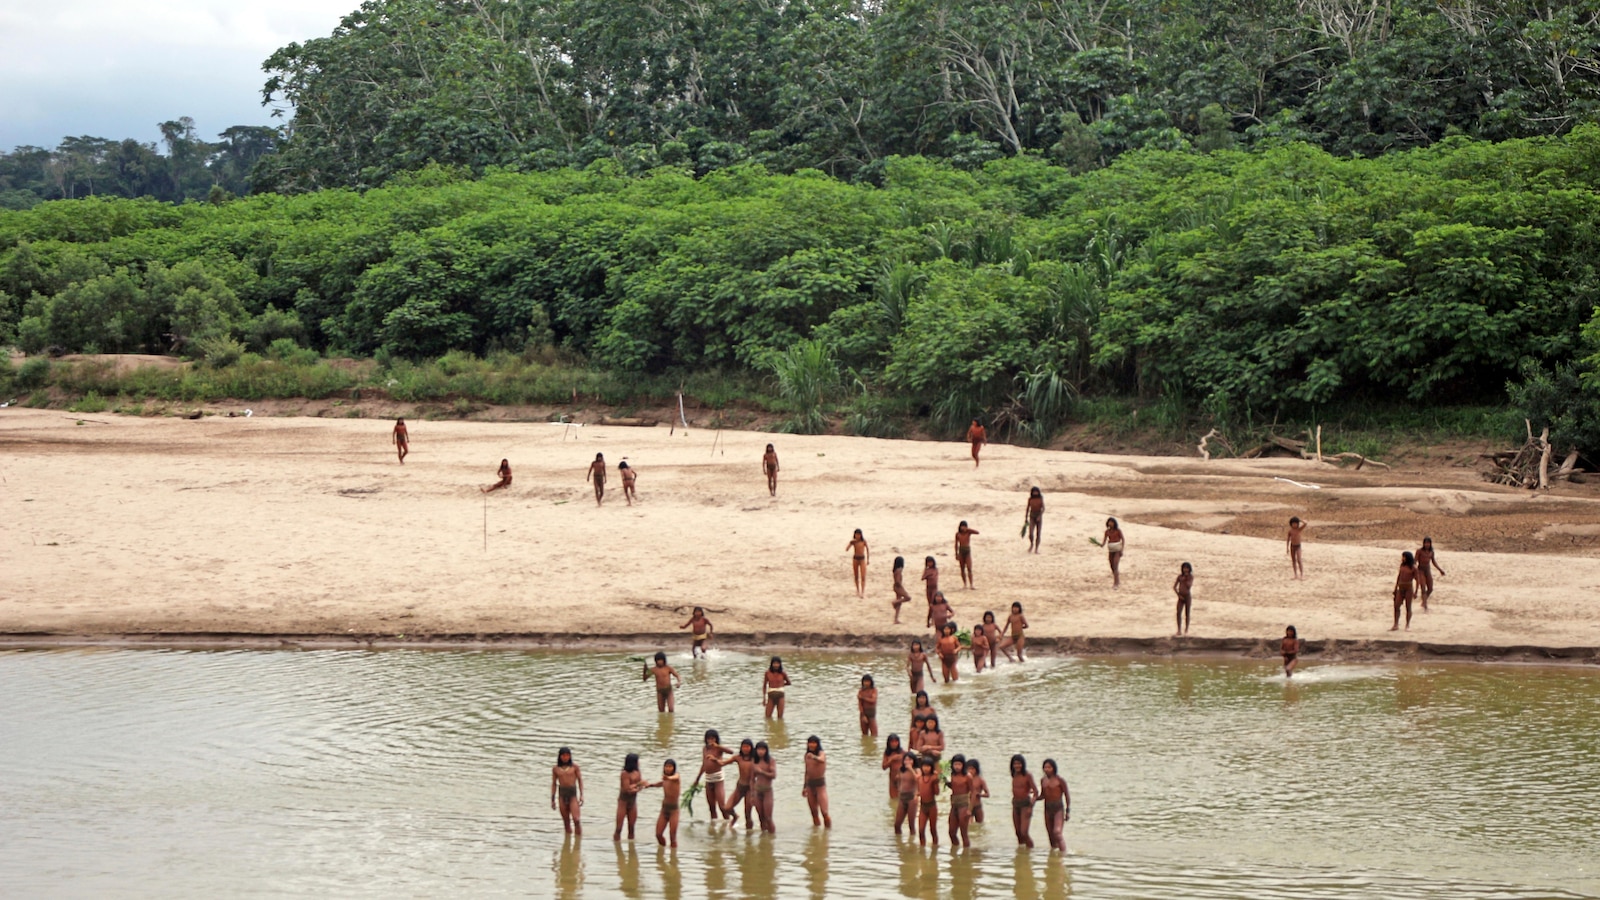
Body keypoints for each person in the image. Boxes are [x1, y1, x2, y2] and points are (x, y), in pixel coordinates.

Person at [691, 730, 738, 826]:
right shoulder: (705, 749)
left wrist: (717, 747)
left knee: (722, 806)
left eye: (713, 738)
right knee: (711, 807)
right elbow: (704, 765)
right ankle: (714, 826)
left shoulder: (718, 749)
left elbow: (731, 752)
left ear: (716, 739)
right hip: (708, 779)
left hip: (718, 779)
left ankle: (730, 822)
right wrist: (697, 779)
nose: (711, 740)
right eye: (709, 738)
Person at [721, 739, 757, 828]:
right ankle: (735, 816)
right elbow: (723, 763)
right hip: (740, 787)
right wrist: (715, 760)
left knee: (747, 814)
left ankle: (748, 837)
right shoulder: (738, 758)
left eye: (747, 747)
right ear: (741, 747)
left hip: (750, 789)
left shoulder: (755, 759)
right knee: (727, 808)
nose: (745, 749)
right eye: (744, 746)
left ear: (751, 748)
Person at [613, 753, 648, 841]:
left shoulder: (638, 772)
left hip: (632, 802)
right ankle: (616, 845)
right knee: (619, 828)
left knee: (632, 827)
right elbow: (626, 789)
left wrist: (639, 786)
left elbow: (638, 786)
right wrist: (638, 785)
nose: (639, 763)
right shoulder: (624, 774)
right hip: (623, 802)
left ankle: (631, 849)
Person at [1039, 759, 1071, 851]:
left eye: (1049, 767)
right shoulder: (1043, 780)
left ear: (1053, 768)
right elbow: (1043, 795)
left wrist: (1068, 811)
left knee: (1057, 832)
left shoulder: (1060, 780)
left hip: (1058, 809)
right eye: (1045, 767)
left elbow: (1067, 795)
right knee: (1051, 836)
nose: (1047, 769)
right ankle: (1053, 858)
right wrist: (1033, 798)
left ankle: (1064, 853)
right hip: (1047, 809)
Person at [551, 747, 584, 835]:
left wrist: (581, 795)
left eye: (567, 756)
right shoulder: (556, 769)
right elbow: (554, 783)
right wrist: (552, 799)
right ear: (560, 756)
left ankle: (578, 841)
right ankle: (568, 842)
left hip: (572, 795)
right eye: (563, 756)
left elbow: (580, 780)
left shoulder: (574, 767)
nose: (565, 758)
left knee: (576, 820)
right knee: (566, 821)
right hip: (562, 794)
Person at [802, 735, 832, 828]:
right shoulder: (807, 756)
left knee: (824, 812)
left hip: (820, 785)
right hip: (810, 785)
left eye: (814, 743)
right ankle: (816, 834)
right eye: (810, 742)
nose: (811, 745)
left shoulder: (821, 753)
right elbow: (807, 771)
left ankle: (827, 834)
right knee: (814, 812)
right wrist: (804, 787)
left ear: (817, 744)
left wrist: (814, 757)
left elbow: (822, 760)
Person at [652, 759, 682, 847]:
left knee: (672, 837)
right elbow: (660, 783)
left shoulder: (676, 777)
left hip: (674, 811)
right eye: (666, 766)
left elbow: (675, 777)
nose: (668, 769)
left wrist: (668, 778)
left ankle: (673, 857)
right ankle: (663, 850)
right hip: (664, 810)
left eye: (670, 767)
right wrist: (650, 785)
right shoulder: (665, 779)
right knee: (658, 834)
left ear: (674, 768)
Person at [1010, 754, 1038, 848]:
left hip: (1025, 805)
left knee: (1024, 832)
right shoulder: (1014, 774)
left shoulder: (1027, 775)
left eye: (1019, 764)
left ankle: (1031, 850)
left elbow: (1035, 792)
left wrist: (1031, 806)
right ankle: (1021, 851)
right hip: (1015, 804)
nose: (1017, 766)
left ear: (1023, 764)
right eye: (1015, 764)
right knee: (1018, 832)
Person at [947, 755, 973, 848]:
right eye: (955, 764)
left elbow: (973, 792)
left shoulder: (967, 776)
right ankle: (955, 850)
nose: (957, 766)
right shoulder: (952, 775)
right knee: (951, 832)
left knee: (963, 833)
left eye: (959, 764)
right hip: (954, 804)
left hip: (964, 804)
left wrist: (970, 809)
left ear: (963, 765)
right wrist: (947, 783)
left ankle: (966, 857)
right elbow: (954, 787)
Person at [751, 741, 777, 834]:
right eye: (759, 749)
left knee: (768, 817)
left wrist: (762, 772)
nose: (761, 751)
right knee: (761, 817)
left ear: (766, 750)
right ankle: (763, 839)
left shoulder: (770, 761)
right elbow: (752, 779)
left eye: (763, 749)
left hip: (767, 791)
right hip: (757, 791)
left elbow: (774, 775)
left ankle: (772, 838)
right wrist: (752, 795)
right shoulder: (755, 761)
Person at [916, 755, 942, 846]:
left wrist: (936, 783)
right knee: (921, 830)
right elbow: (919, 791)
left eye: (928, 766)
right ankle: (922, 849)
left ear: (931, 767)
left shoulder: (933, 778)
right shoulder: (919, 778)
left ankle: (935, 848)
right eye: (924, 766)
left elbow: (937, 793)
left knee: (933, 829)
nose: (926, 768)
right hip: (923, 806)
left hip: (932, 806)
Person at [894, 752, 920, 837]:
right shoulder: (901, 769)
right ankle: (899, 844)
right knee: (897, 825)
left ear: (913, 761)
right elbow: (898, 780)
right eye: (906, 759)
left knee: (911, 825)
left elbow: (917, 778)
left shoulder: (917, 769)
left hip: (911, 797)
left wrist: (910, 769)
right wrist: (899, 789)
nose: (907, 761)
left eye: (910, 759)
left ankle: (912, 845)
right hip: (902, 797)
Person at [1416, 536, 1446, 610]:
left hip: (1427, 570)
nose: (1427, 545)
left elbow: (1433, 562)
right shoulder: (1419, 551)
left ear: (1430, 544)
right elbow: (1415, 560)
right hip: (1420, 570)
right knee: (1423, 587)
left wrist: (1440, 570)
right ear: (1423, 544)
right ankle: (1425, 605)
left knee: (1430, 588)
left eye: (1428, 543)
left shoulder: (1431, 552)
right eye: (1426, 543)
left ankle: (1424, 600)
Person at [1392, 551, 1419, 631]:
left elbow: (1417, 580)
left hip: (1408, 588)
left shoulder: (1413, 568)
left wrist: (1416, 592)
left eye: (1404, 557)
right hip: (1400, 587)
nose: (1402, 558)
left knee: (1408, 607)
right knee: (1396, 605)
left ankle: (1407, 625)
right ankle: (1396, 624)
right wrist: (1395, 588)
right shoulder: (1402, 566)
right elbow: (1399, 576)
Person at [954, 521, 980, 589]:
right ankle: (965, 584)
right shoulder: (958, 534)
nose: (963, 528)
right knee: (962, 568)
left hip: (967, 551)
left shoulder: (968, 532)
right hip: (961, 551)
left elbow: (977, 532)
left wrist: (968, 529)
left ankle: (971, 584)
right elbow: (956, 544)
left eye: (965, 526)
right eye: (962, 526)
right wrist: (956, 553)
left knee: (969, 568)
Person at [882, 734, 907, 800]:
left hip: (902, 779)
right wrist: (891, 759)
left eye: (896, 742)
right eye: (892, 742)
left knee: (903, 799)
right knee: (893, 800)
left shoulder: (903, 752)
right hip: (892, 779)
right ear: (889, 743)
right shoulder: (887, 753)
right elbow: (884, 767)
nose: (894, 744)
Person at [846, 529, 870, 598]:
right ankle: (857, 591)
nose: (857, 536)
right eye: (856, 535)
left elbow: (867, 550)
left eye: (859, 535)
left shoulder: (863, 541)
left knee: (863, 576)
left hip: (862, 559)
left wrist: (868, 559)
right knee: (856, 576)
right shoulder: (854, 542)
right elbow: (847, 549)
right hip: (855, 559)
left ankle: (862, 592)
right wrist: (851, 543)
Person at [1103, 517, 1125, 589]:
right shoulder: (1107, 532)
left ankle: (1116, 583)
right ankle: (1117, 579)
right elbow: (1104, 541)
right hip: (1111, 550)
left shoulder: (1118, 531)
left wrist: (1122, 549)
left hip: (1117, 550)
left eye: (1112, 522)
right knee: (1112, 565)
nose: (1110, 524)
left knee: (1115, 565)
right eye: (1109, 522)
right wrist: (1099, 544)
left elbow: (1123, 539)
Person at [1173, 562, 1194, 636]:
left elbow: (1189, 586)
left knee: (1187, 613)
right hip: (1181, 596)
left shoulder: (1190, 577)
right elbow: (1174, 587)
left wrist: (1186, 579)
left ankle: (1186, 630)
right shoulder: (1179, 577)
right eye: (1184, 568)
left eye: (1187, 568)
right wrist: (1178, 595)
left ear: (1189, 569)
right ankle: (1179, 630)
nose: (1185, 570)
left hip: (1187, 596)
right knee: (1178, 612)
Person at [968, 758, 991, 824]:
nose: (970, 771)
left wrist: (979, 795)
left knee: (980, 824)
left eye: (972, 769)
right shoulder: (966, 779)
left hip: (978, 806)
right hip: (968, 806)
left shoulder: (980, 780)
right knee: (970, 825)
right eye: (968, 769)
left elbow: (987, 794)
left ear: (976, 769)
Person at [891, 556, 912, 624]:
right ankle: (894, 602)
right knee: (908, 597)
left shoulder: (895, 570)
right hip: (898, 587)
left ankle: (896, 619)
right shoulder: (899, 570)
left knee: (899, 603)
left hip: (896, 586)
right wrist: (901, 586)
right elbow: (897, 581)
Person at [1024, 487, 1044, 553]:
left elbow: (1043, 508)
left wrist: (1039, 516)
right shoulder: (1030, 499)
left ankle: (1036, 548)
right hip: (1032, 516)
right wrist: (1026, 518)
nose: (1035, 493)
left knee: (1038, 533)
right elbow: (1027, 508)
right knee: (1031, 533)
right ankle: (1031, 544)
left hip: (1039, 516)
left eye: (1036, 491)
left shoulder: (1040, 499)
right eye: (1034, 492)